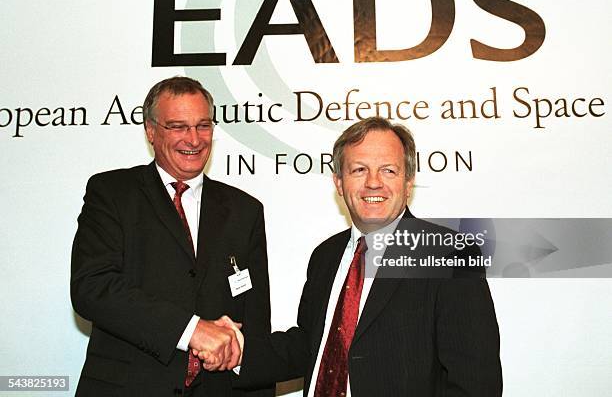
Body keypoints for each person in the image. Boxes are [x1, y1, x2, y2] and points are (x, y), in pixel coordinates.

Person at [229, 117, 502, 396]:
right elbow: (310, 344)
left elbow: (476, 382)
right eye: (359, 170)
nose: (373, 183)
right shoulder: (325, 256)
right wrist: (237, 352)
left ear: (408, 183)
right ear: (339, 182)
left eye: (388, 171)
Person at [71, 76, 273, 397]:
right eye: (178, 126)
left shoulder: (244, 210)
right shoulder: (112, 193)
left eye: (203, 126)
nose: (193, 139)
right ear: (151, 131)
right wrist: (191, 330)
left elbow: (255, 320)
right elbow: (92, 288)